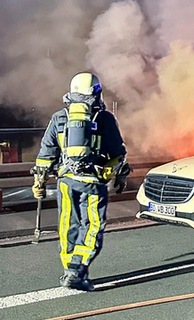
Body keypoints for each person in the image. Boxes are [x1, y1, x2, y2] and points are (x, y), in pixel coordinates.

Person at [30, 72, 130, 291]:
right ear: (96, 92)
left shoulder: (59, 117)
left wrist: (39, 182)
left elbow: (46, 154)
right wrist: (120, 176)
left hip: (66, 182)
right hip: (93, 182)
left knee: (68, 225)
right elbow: (118, 153)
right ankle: (77, 270)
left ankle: (69, 269)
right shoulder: (104, 119)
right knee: (92, 226)